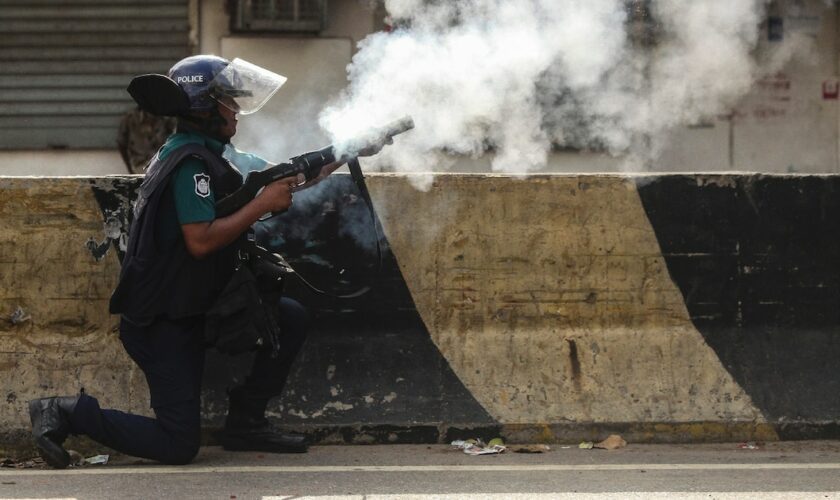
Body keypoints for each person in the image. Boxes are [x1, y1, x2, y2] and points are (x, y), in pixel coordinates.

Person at [27, 55, 351, 468]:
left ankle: (246, 422)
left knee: (288, 317)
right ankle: (66, 412)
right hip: (161, 320)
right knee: (178, 444)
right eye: (228, 102)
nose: (236, 111)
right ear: (205, 109)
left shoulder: (212, 153)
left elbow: (290, 174)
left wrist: (348, 149)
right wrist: (262, 205)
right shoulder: (189, 165)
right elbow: (200, 241)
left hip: (196, 303)